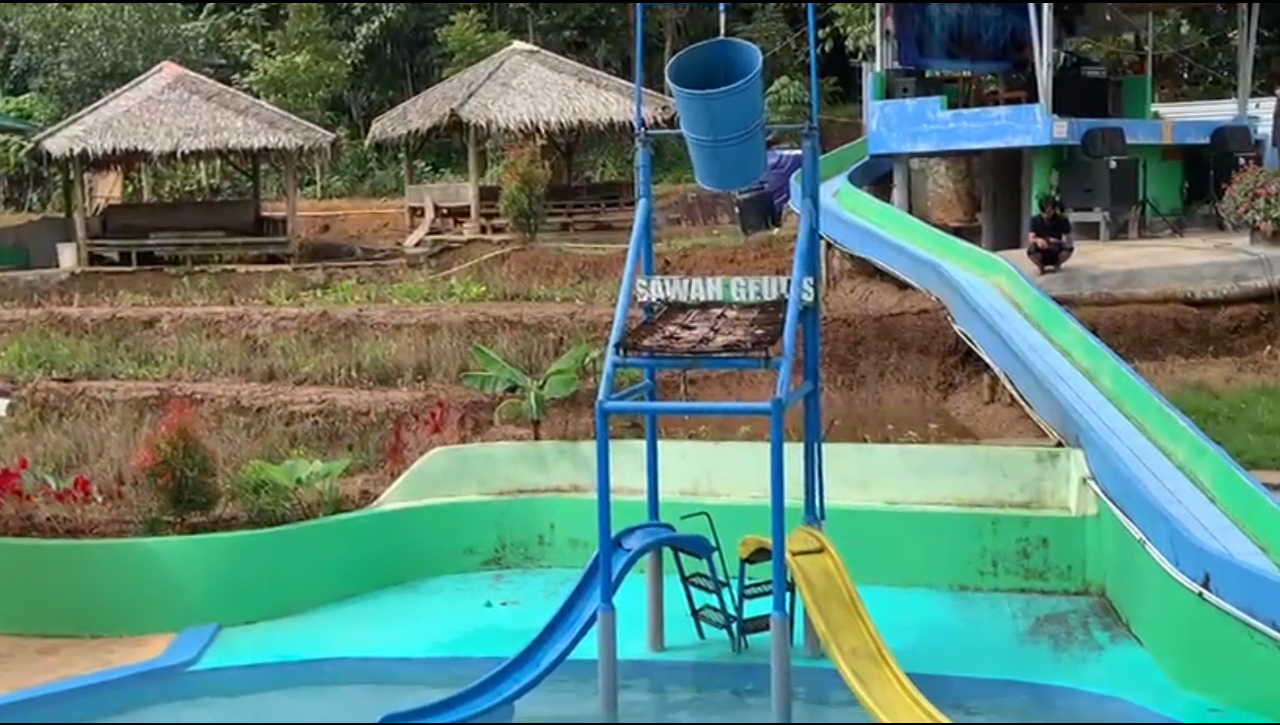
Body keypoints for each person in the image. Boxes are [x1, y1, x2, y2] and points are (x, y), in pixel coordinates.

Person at [1027, 195, 1074, 274]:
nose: (1047, 215)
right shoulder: (1035, 220)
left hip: (1057, 247)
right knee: (1031, 250)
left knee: (1068, 248)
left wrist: (1056, 241)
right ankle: (1040, 266)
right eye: (1045, 212)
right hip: (1041, 248)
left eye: (1049, 211)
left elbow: (1068, 239)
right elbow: (1031, 237)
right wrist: (1039, 240)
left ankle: (1057, 264)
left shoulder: (1062, 219)